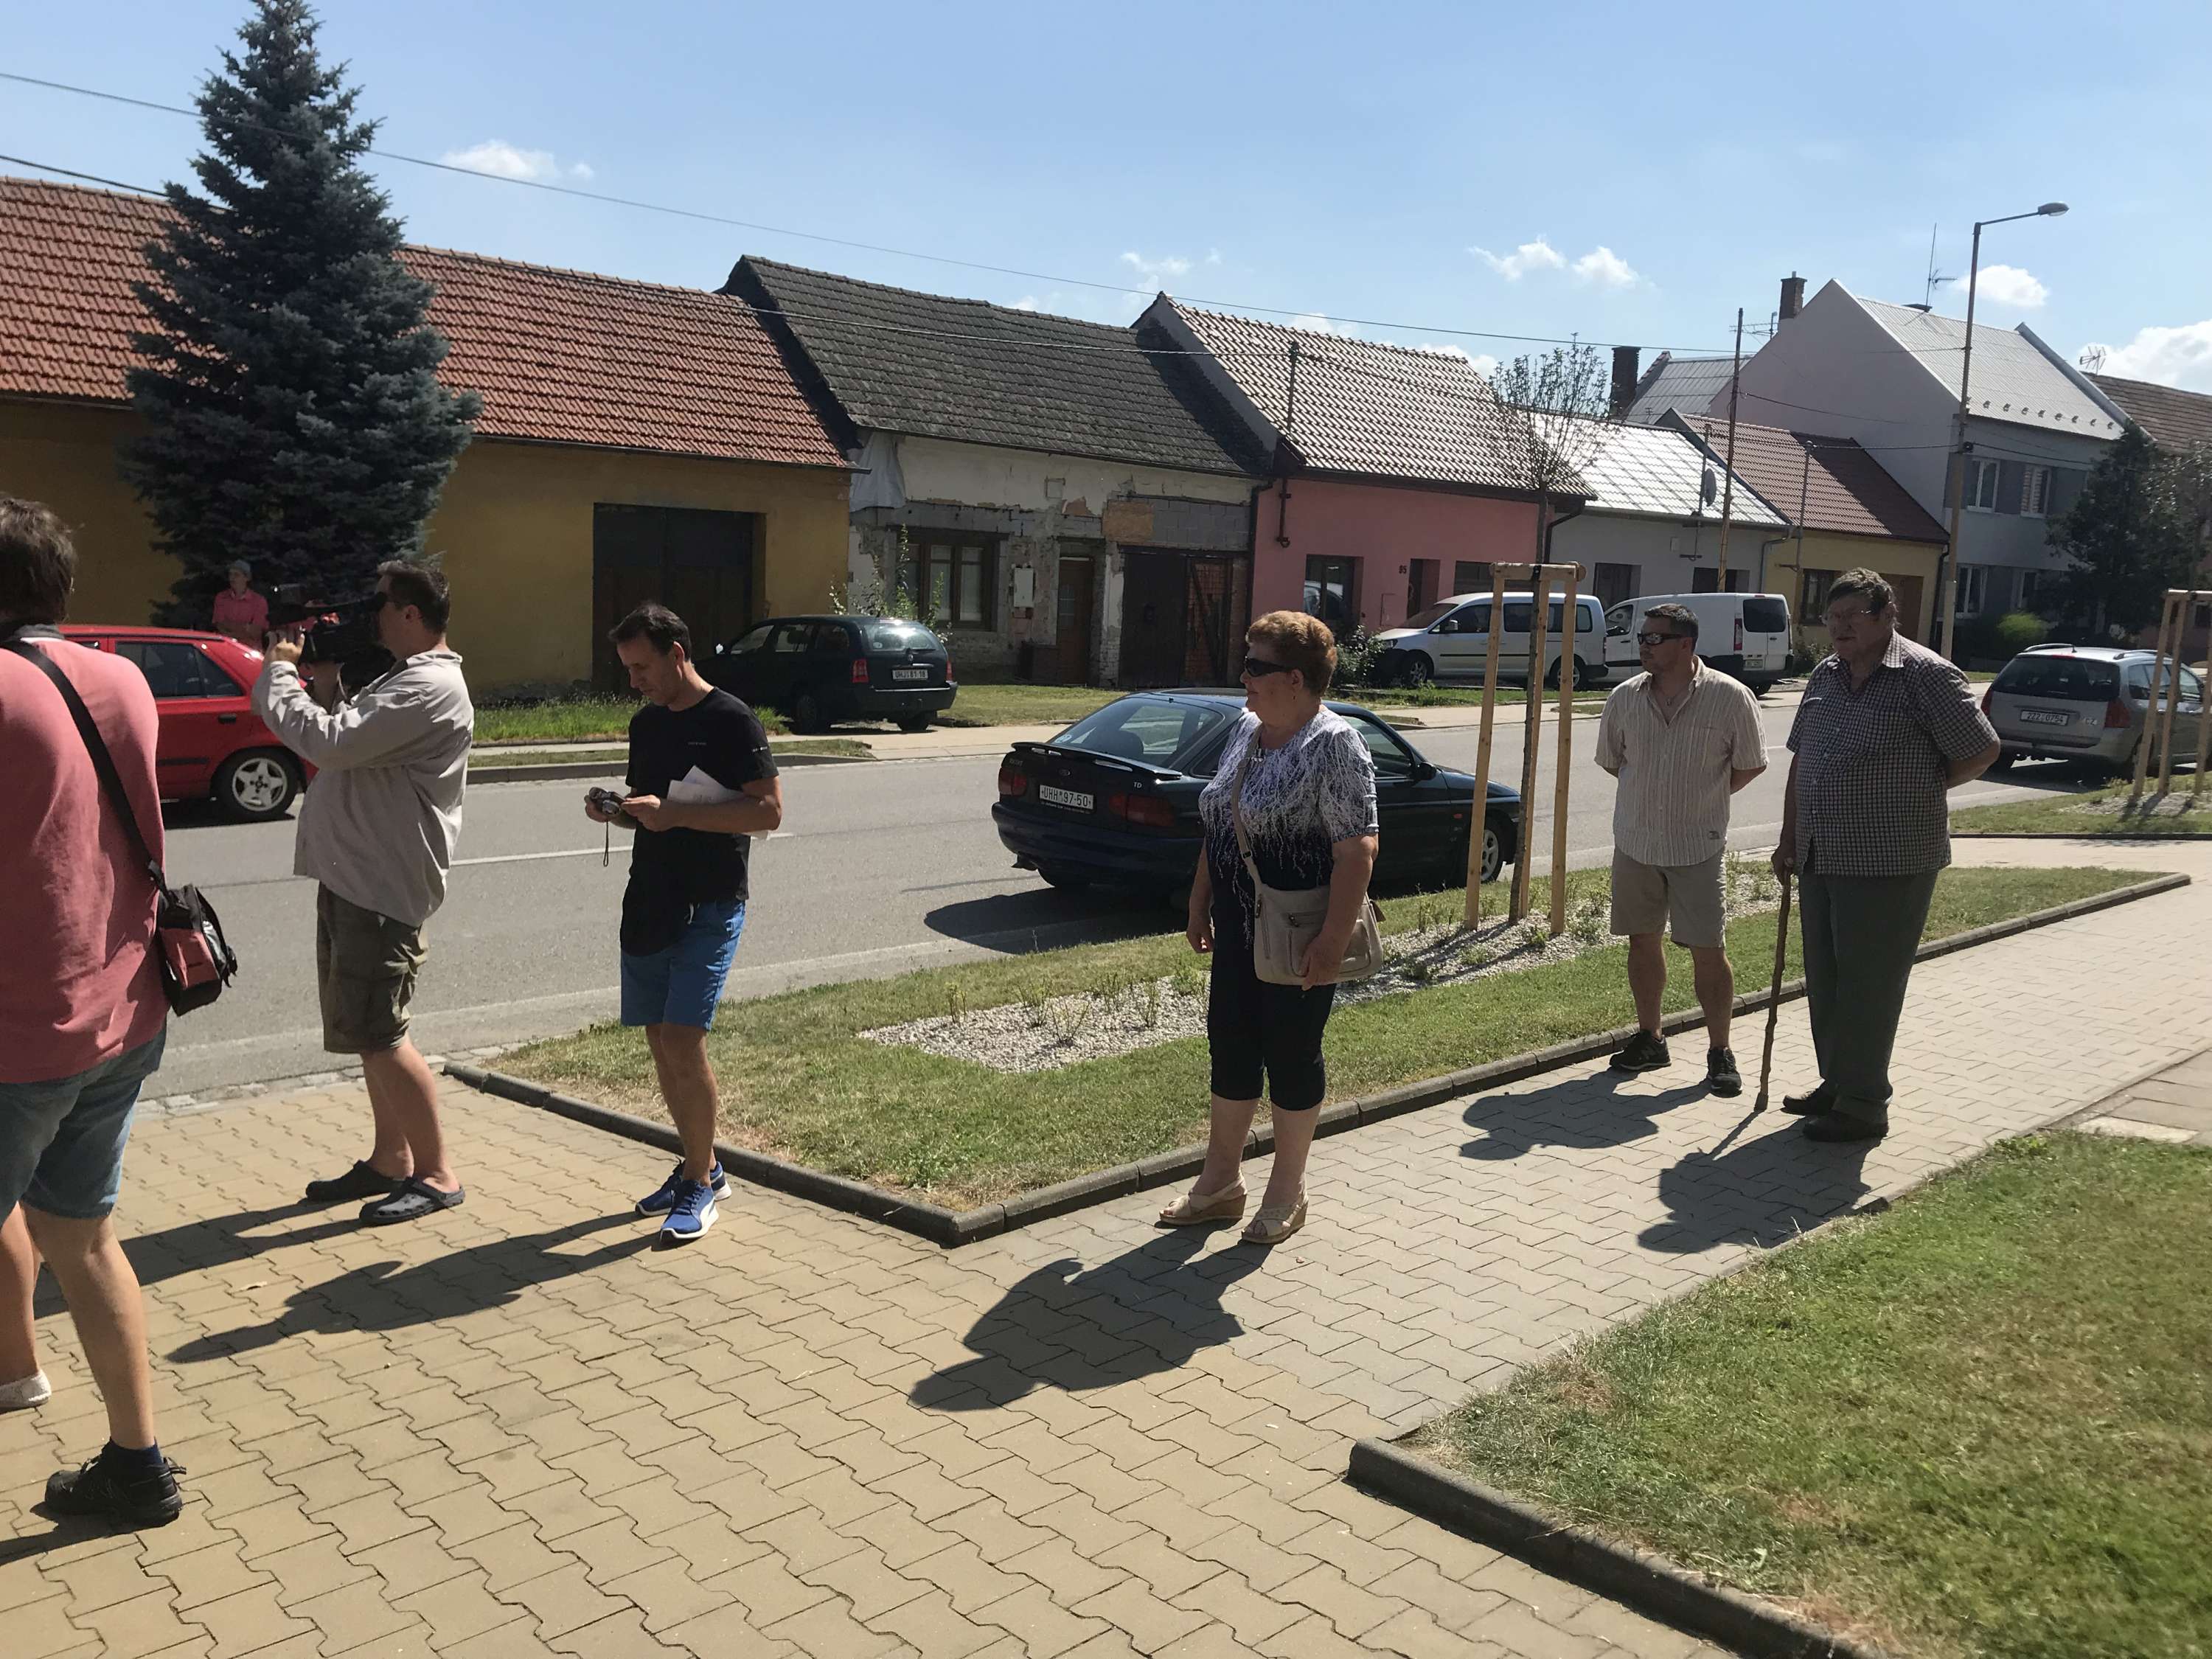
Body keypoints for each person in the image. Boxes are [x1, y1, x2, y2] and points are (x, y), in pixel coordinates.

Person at [0, 495, 185, 1525]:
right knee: (84, 1238)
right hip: (121, 1012)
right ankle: (136, 1463)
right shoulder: (120, 677)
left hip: (15, 1033)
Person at [254, 560, 474, 1221]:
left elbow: (331, 744)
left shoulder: (428, 687)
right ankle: (391, 1160)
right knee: (365, 1032)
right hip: (355, 879)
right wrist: (325, 685)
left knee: (382, 1033)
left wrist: (281, 673)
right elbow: (353, 738)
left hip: (380, 888)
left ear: (410, 613)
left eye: (376, 605)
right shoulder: (405, 679)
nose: (365, 617)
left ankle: (436, 1174)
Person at [1158, 611, 1379, 1246]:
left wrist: (1331, 942)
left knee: (1290, 1053)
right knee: (1230, 1046)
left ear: (1296, 678)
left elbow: (1358, 851)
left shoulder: (1334, 745)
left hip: (1299, 929)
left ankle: (1287, 1191)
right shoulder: (1246, 729)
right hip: (1237, 923)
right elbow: (1221, 820)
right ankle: (1220, 1185)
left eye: (1256, 666)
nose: (1244, 678)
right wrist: (1199, 900)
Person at [1774, 569, 2000, 1142]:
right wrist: (1789, 837)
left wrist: (1922, 786)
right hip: (1821, 852)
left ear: (1887, 616)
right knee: (1827, 979)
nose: (1840, 627)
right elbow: (1803, 758)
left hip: (1889, 859)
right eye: (1832, 617)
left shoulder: (1925, 676)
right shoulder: (1826, 674)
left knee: (1869, 984)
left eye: (1853, 616)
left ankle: (1864, 1105)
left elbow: (1982, 750)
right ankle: (1838, 1082)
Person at [591, 603, 782, 1246]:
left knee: (682, 1039)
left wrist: (674, 814)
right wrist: (618, 811)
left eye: (642, 667)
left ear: (677, 654)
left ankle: (701, 1186)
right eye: (627, 669)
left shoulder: (732, 719)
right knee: (659, 1040)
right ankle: (702, 1165)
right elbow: (651, 811)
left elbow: (768, 813)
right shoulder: (645, 724)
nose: (634, 681)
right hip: (651, 899)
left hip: (711, 902)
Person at [1594, 602, 1768, 1094]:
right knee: (1641, 941)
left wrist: (1702, 797)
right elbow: (1613, 761)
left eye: (1655, 638)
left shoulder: (1730, 697)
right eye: (1643, 638)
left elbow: (1751, 763)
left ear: (1686, 644)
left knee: (1709, 949)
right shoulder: (1624, 698)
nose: (1644, 646)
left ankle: (1720, 1051)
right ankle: (1651, 1038)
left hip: (1698, 846)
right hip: (1637, 842)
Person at [211, 559, 268, 647]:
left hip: (249, 650)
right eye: (230, 574)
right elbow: (220, 624)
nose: (232, 578)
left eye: (236, 575)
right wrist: (246, 627)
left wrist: (230, 631)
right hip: (226, 647)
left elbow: (256, 632)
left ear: (247, 578)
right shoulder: (221, 598)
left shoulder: (259, 601)